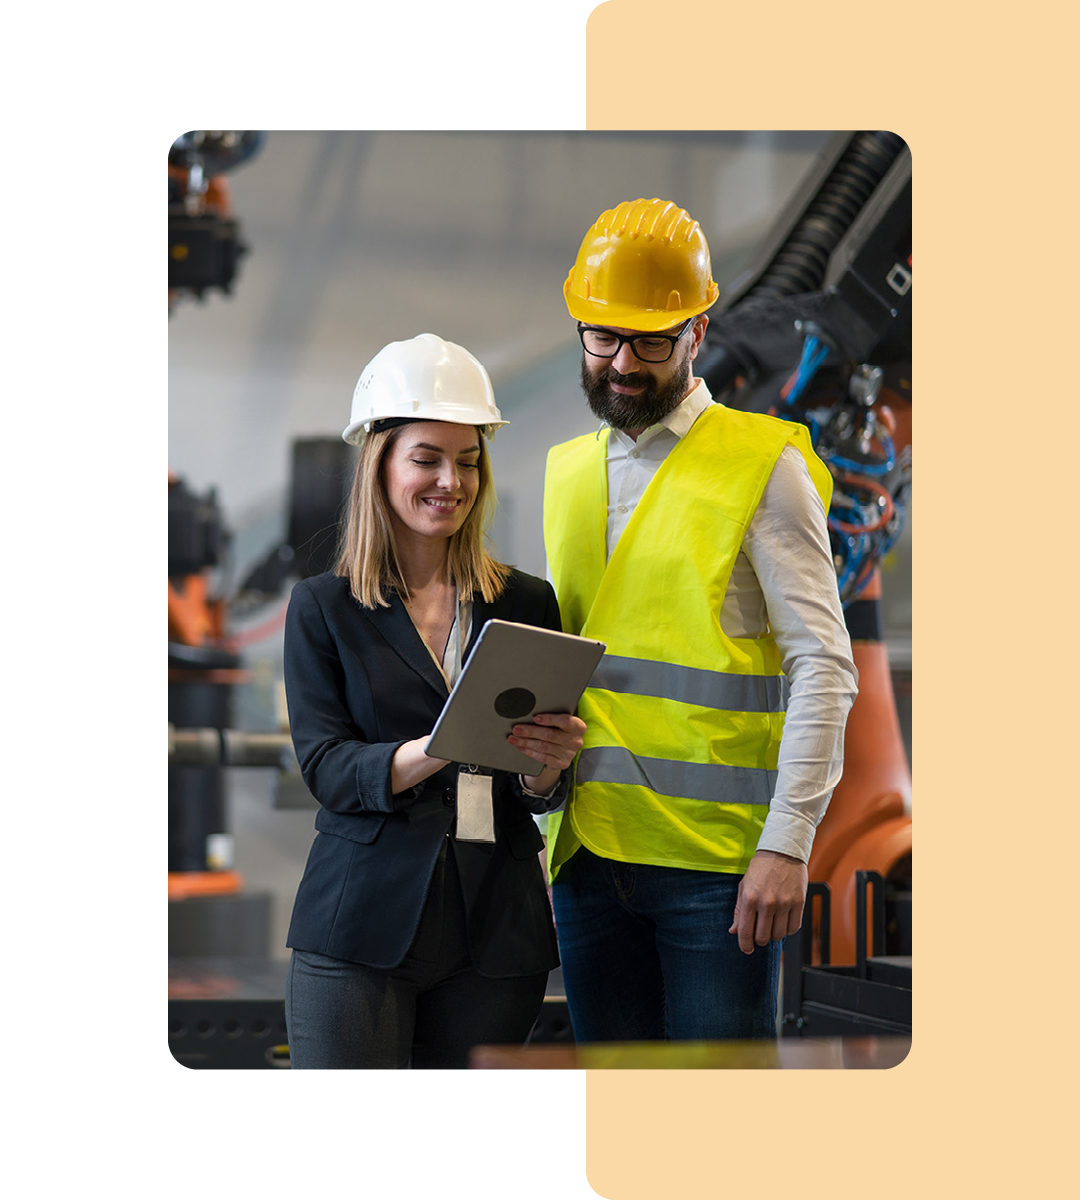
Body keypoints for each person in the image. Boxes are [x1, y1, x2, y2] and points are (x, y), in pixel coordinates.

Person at [543, 198, 858, 1042]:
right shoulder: (568, 475)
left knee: (715, 1144)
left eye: (650, 340)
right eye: (602, 336)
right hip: (586, 860)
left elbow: (823, 665)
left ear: (699, 331)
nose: (621, 363)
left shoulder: (764, 464)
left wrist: (789, 843)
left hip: (719, 875)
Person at [283, 332, 585, 1069]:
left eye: (468, 461)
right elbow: (328, 768)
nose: (450, 480)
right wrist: (440, 745)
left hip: (496, 932)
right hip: (360, 925)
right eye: (427, 458)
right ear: (380, 463)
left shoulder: (524, 600)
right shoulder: (324, 607)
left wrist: (547, 766)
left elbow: (542, 791)